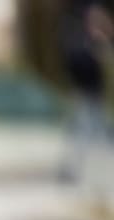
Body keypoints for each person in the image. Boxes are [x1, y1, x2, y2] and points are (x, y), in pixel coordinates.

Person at [59, 0, 114, 189]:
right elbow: (75, 66)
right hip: (85, 96)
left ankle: (74, 170)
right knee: (83, 134)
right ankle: (70, 169)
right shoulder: (82, 43)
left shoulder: (104, 44)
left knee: (102, 135)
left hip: (98, 98)